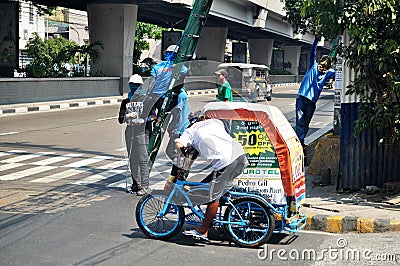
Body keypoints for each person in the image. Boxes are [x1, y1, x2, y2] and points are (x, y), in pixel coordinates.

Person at [175, 116, 247, 241]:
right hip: (240, 156)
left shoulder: (190, 131)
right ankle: (211, 221)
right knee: (206, 185)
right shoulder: (214, 122)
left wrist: (183, 154)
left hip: (225, 162)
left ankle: (203, 231)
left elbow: (178, 144)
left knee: (213, 196)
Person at [295, 35, 336, 147]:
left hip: (311, 102)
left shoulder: (327, 73)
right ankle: (300, 141)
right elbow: (313, 52)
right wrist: (316, 40)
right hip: (302, 97)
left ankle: (301, 141)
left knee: (305, 123)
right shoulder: (313, 66)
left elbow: (338, 71)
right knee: (300, 121)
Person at [118, 74, 154, 196]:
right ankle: (136, 183)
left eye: (136, 86)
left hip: (142, 133)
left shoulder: (147, 100)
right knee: (132, 159)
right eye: (132, 85)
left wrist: (144, 120)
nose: (134, 88)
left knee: (143, 159)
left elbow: (153, 116)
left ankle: (145, 186)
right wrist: (127, 116)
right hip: (130, 132)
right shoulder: (126, 102)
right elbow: (120, 119)